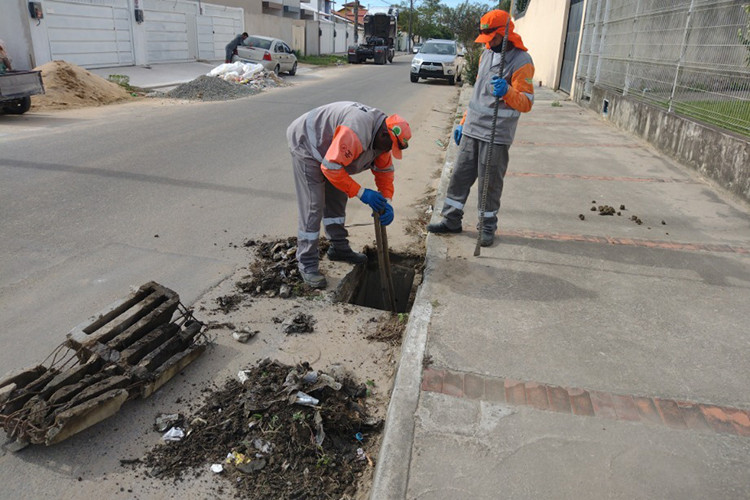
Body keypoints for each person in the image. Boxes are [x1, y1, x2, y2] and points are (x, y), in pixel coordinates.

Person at [427, 9, 534, 247]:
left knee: (489, 184)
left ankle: (487, 228)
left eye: (492, 38)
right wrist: (463, 122)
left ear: (505, 33)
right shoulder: (486, 55)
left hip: (496, 135)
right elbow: (477, 95)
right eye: (484, 38)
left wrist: (507, 92)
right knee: (459, 177)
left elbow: (526, 102)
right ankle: (451, 220)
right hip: (472, 129)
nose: (488, 43)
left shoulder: (521, 61)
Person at [287, 102, 412, 289]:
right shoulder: (357, 131)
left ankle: (338, 247)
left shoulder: (382, 140)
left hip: (332, 153)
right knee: (313, 205)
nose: (387, 151)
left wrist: (387, 201)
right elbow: (331, 167)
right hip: (308, 144)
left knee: (337, 198)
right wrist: (362, 193)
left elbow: (385, 172)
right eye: (389, 146)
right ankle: (307, 264)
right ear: (385, 134)